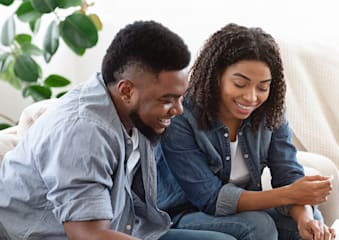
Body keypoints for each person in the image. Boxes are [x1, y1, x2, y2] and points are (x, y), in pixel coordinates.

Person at [0, 20, 234, 240]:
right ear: (126, 91)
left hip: (124, 227)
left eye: (180, 98)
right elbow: (88, 235)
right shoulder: (84, 132)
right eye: (167, 99)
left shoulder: (129, 110)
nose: (178, 110)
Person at [157, 23, 336, 240]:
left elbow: (288, 175)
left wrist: (306, 217)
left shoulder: (270, 113)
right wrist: (289, 194)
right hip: (182, 214)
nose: (251, 97)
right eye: (240, 84)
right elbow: (210, 198)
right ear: (216, 76)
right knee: (259, 226)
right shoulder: (182, 115)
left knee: (308, 219)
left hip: (240, 212)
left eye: (262, 87)